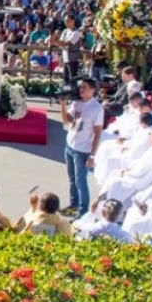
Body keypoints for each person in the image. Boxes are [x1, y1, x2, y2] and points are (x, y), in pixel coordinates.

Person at [61, 77, 105, 215]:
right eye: (80, 87)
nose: (81, 89)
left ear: (92, 90)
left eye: (84, 87)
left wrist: (92, 155)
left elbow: (98, 133)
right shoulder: (76, 102)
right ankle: (73, 204)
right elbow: (66, 120)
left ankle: (83, 211)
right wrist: (62, 105)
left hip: (82, 150)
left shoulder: (97, 109)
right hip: (70, 145)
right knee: (72, 179)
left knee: (81, 181)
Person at [50, 15, 85, 82]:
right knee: (65, 79)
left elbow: (67, 43)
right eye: (65, 21)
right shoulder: (65, 31)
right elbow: (60, 43)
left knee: (72, 79)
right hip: (65, 58)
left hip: (72, 59)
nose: (66, 22)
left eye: (68, 21)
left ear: (73, 21)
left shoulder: (76, 32)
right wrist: (54, 41)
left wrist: (55, 41)